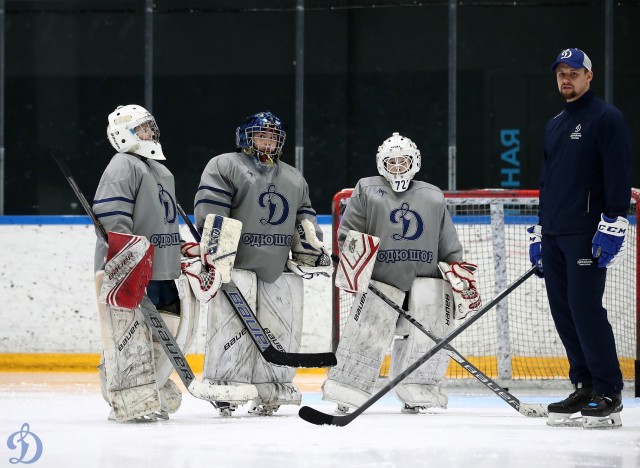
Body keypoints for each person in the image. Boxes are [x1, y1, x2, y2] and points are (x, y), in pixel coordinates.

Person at [322, 132, 481, 414]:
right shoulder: (367, 190)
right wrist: (354, 265)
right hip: (380, 282)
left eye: (402, 161)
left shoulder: (432, 195)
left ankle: (418, 391)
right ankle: (346, 391)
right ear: (382, 164)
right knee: (366, 336)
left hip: (425, 282)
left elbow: (446, 240)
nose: (397, 168)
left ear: (414, 162)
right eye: (391, 162)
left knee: (425, 339)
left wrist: (456, 270)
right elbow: (349, 234)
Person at [194, 110, 331, 417]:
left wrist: (309, 245)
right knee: (231, 330)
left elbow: (303, 216)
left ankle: (274, 389)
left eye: (273, 137)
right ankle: (225, 386)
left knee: (281, 331)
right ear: (246, 136)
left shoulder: (293, 177)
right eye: (261, 135)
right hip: (235, 266)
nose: (267, 142)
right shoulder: (225, 165)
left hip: (277, 267)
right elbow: (211, 212)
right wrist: (216, 250)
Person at [528, 48, 630, 429]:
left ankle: (608, 390)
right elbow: (547, 180)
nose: (566, 79)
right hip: (555, 232)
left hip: (587, 232)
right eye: (561, 74)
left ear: (590, 76)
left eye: (574, 72)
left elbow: (617, 173)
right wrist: (540, 229)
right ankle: (584, 383)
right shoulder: (555, 122)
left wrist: (614, 221)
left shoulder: (607, 118)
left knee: (585, 308)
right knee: (563, 310)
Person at [93, 104, 213, 422]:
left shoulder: (160, 170)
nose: (149, 134)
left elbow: (163, 223)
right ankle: (129, 397)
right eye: (141, 129)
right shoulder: (122, 164)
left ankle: (151, 387)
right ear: (123, 136)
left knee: (167, 328)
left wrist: (182, 249)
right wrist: (125, 260)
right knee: (130, 333)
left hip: (161, 269)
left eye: (149, 128)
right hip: (131, 269)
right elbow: (112, 219)